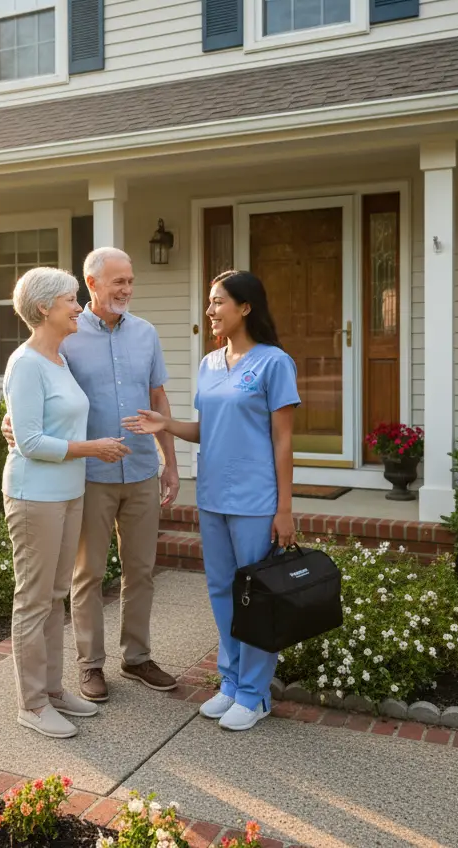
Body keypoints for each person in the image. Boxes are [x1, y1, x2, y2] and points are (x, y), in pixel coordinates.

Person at [123, 270, 299, 732]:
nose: (210, 310)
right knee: (223, 592)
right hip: (213, 498)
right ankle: (232, 682)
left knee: (257, 598)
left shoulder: (274, 363)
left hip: (256, 501)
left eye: (218, 302)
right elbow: (207, 430)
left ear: (245, 307)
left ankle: (255, 694)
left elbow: (283, 442)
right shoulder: (208, 364)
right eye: (208, 301)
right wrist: (166, 425)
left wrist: (285, 509)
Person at [3, 247, 180, 704]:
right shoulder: (69, 335)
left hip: (140, 467)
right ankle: (90, 665)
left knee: (141, 570)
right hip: (88, 476)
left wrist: (171, 464)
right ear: (92, 284)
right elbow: (35, 395)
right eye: (118, 281)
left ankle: (137, 657)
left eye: (131, 281)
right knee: (87, 575)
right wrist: (11, 425)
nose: (126, 290)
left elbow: (159, 400)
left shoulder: (146, 333)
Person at [1, 266, 129, 739]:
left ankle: (52, 691)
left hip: (68, 493)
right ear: (43, 309)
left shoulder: (58, 360)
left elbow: (26, 421)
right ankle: (31, 704)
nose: (79, 307)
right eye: (71, 300)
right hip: (35, 497)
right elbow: (31, 441)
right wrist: (93, 448)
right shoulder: (27, 361)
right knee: (34, 601)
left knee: (55, 599)